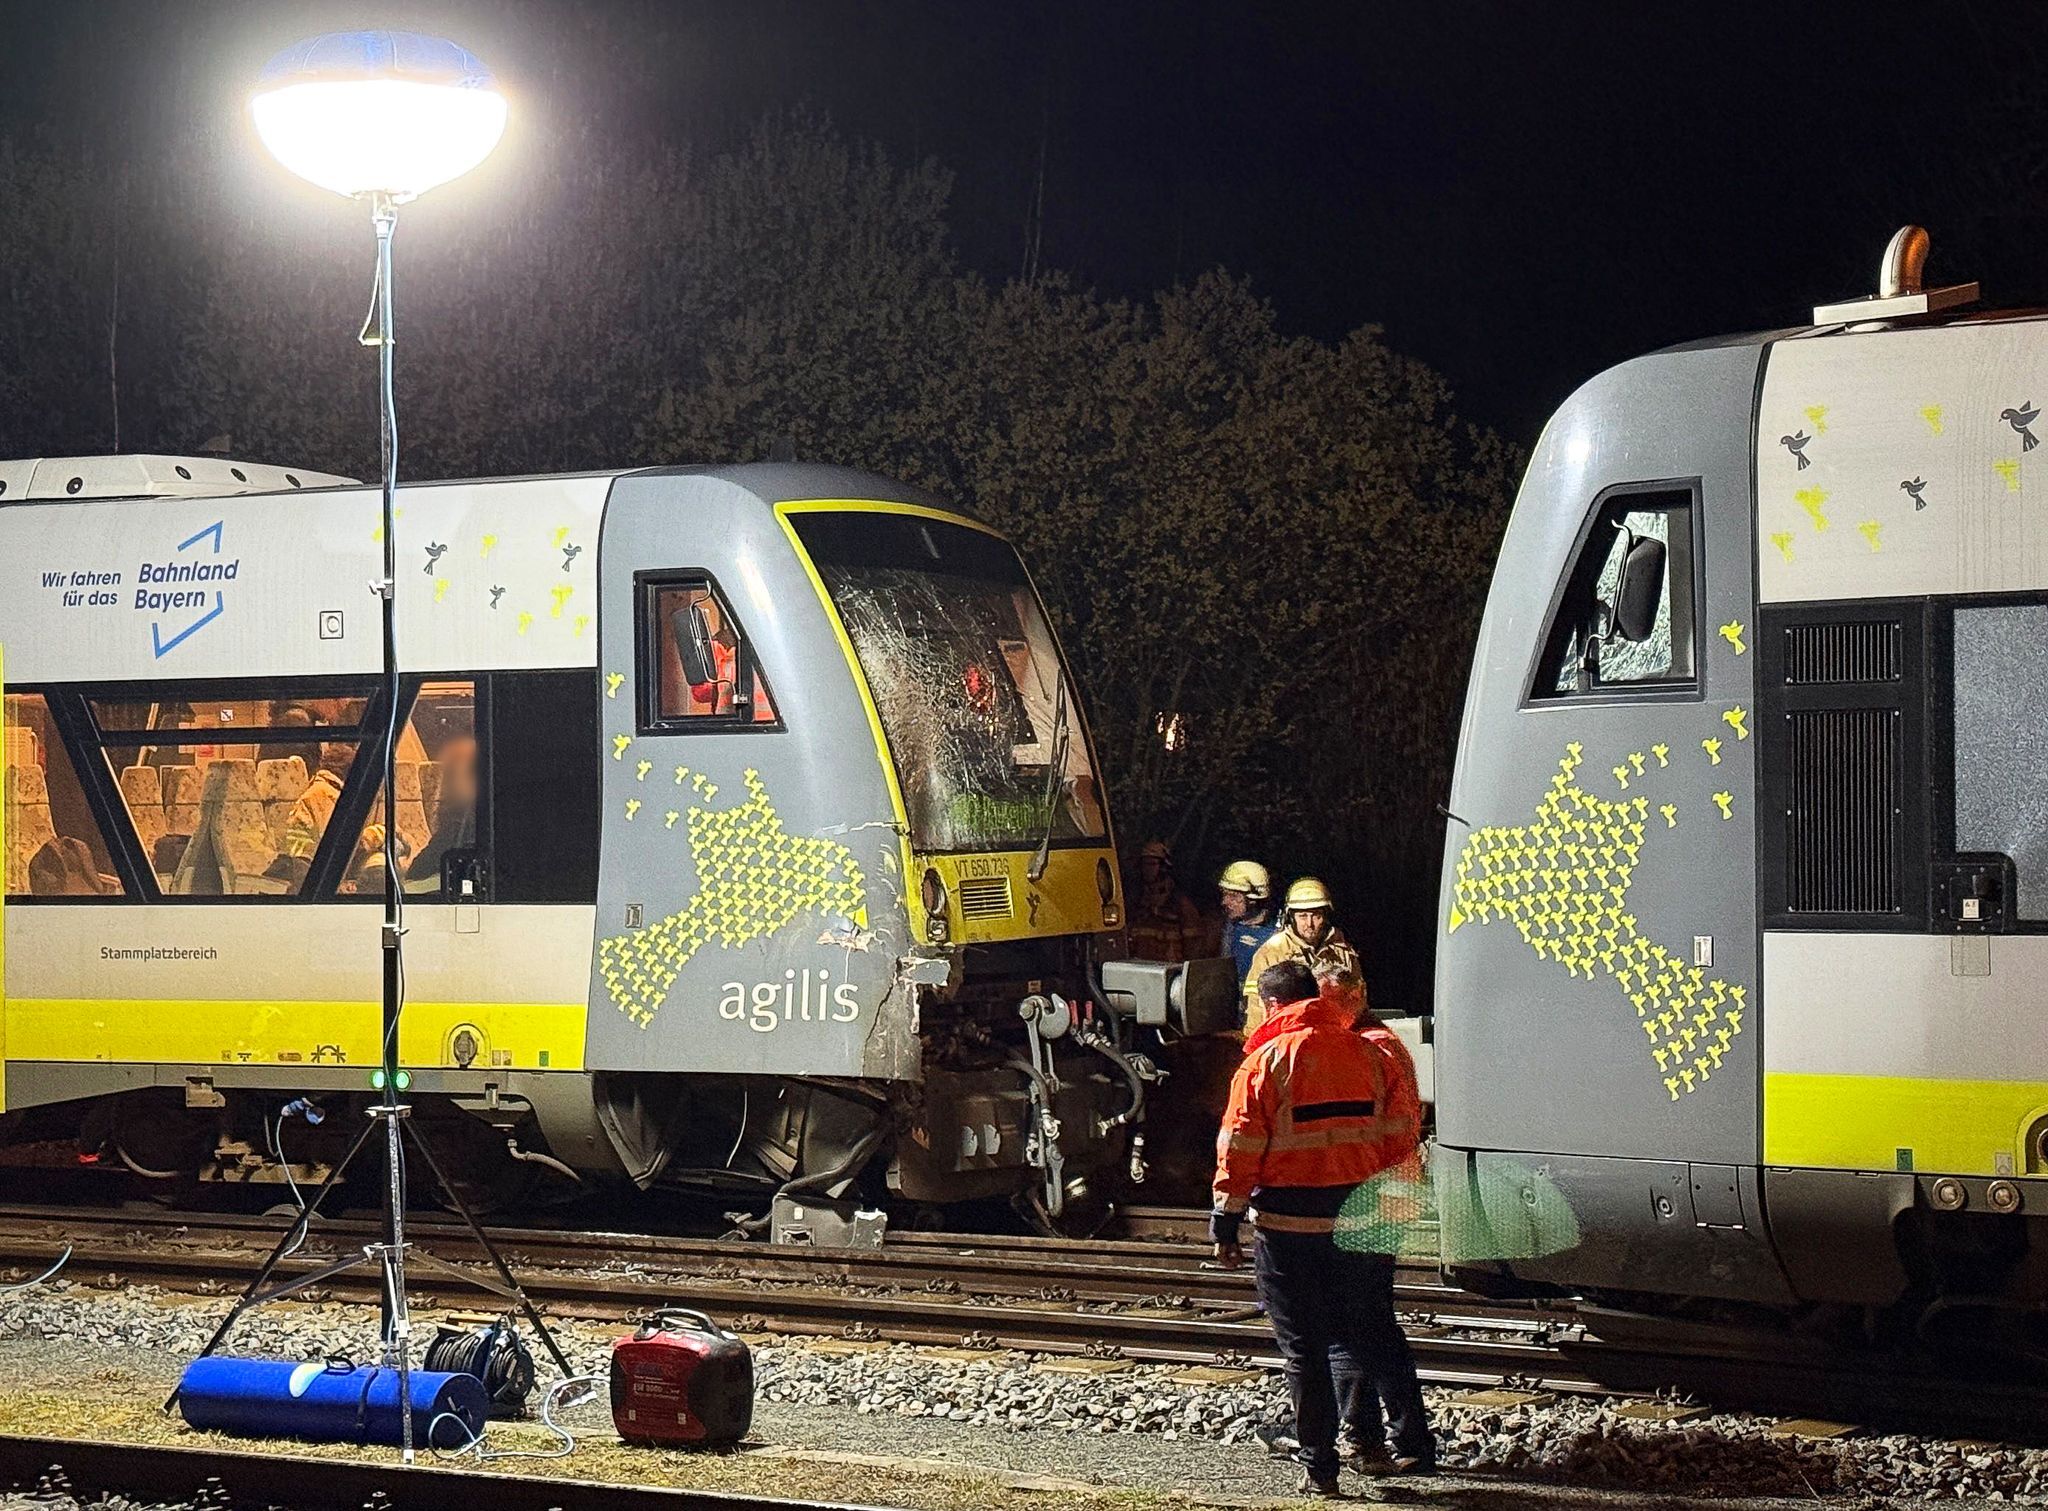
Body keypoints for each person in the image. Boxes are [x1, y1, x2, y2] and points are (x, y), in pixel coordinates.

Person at [1212, 959, 1433, 1494]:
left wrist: (1226, 1218)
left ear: (1271, 1004)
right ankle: (1372, 1444)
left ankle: (1321, 1468)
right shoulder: (1369, 1054)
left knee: (1304, 1350)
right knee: (1360, 1332)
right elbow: (1396, 1137)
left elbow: (1240, 1147)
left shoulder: (1263, 1064)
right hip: (1360, 1221)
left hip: (1290, 1230)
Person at [1241, 877, 1361, 1036]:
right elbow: (1257, 1007)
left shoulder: (1341, 951)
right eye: (1303, 916)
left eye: (1316, 915)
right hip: (1288, 1038)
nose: (1309, 924)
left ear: (1326, 917)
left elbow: (1357, 999)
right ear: (1291, 917)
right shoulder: (1272, 953)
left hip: (1333, 1036)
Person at [1127, 838, 1206, 963]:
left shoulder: (1180, 904)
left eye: (1152, 864)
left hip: (1171, 970)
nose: (1147, 869)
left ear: (1163, 867)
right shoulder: (1136, 901)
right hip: (1141, 969)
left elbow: (1194, 946)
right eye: (1144, 864)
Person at [1218, 860, 1279, 996]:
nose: (1225, 902)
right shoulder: (1229, 928)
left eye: (1233, 896)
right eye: (1224, 894)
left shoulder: (1277, 935)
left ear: (1253, 899)